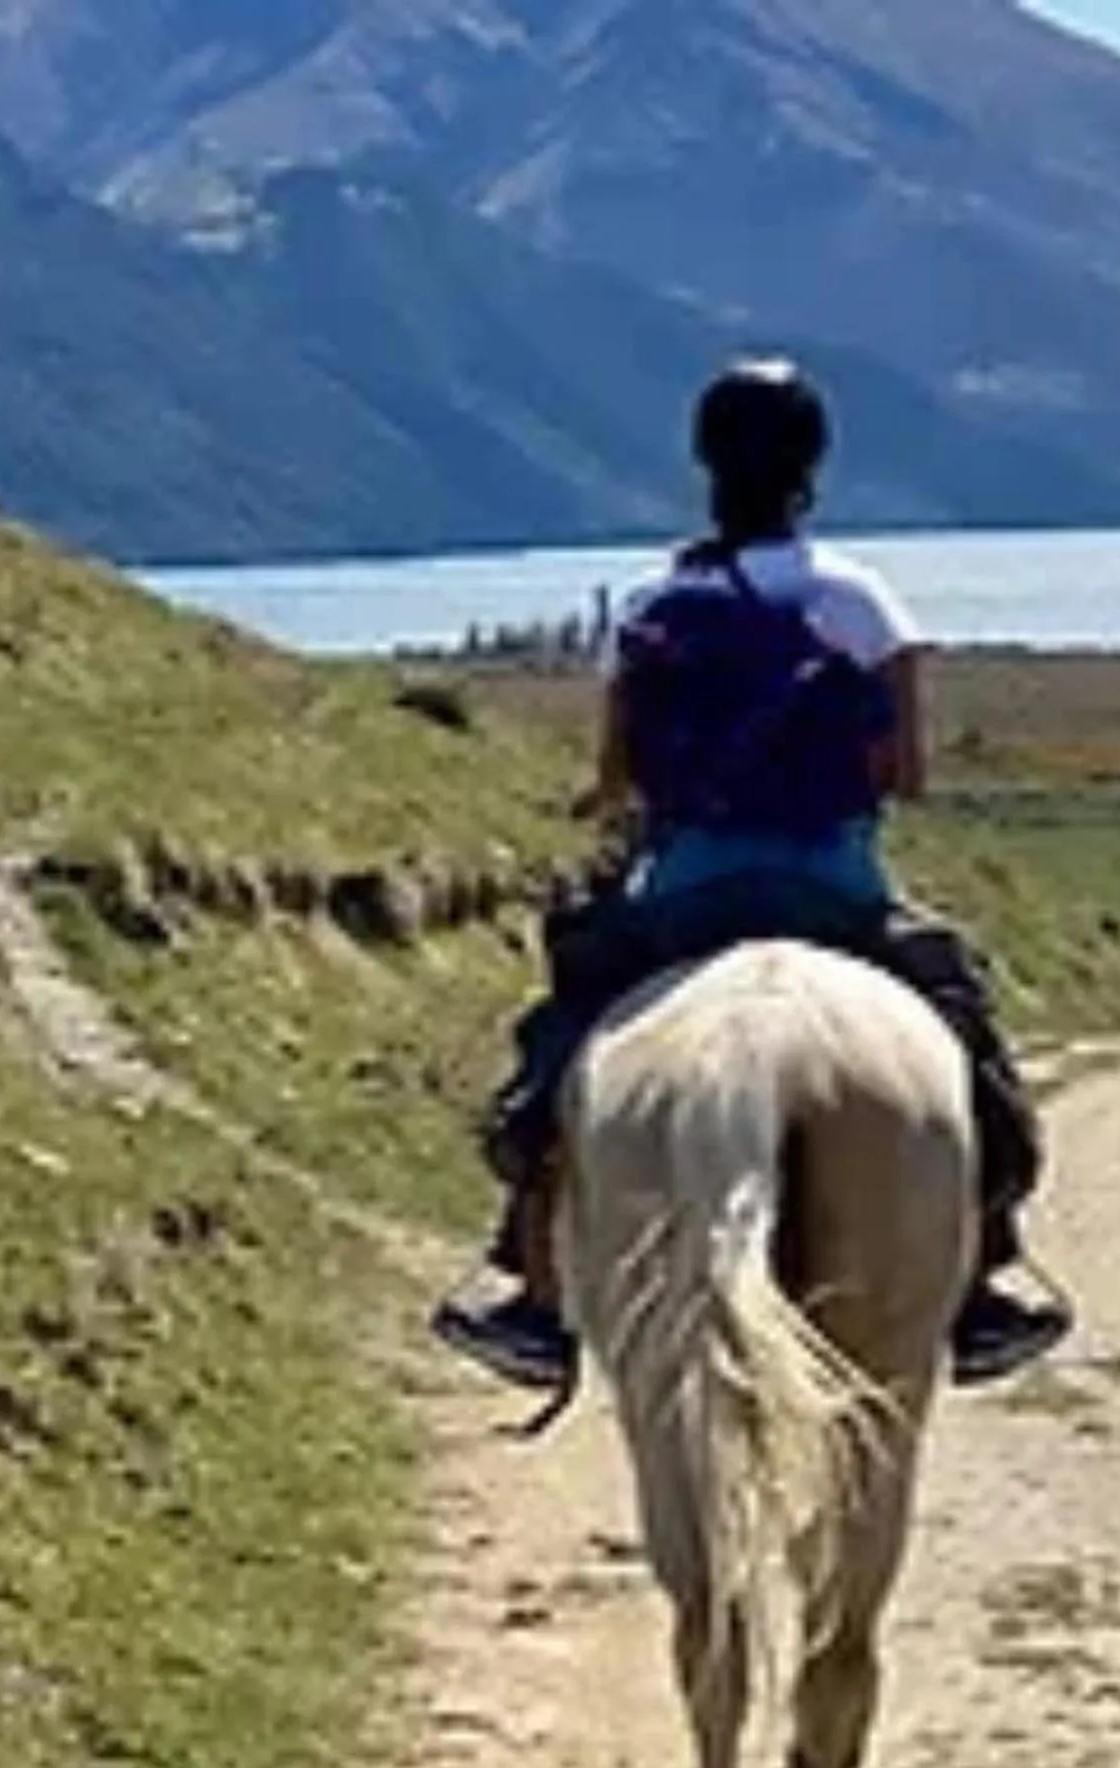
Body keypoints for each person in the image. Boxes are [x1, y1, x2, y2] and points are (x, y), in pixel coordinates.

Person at [431, 357, 1073, 1396]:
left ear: (705, 461)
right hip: (840, 892)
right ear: (814, 464)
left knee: (557, 1052)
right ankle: (989, 1275)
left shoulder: (653, 604)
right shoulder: (863, 602)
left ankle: (533, 1293)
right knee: (966, 1034)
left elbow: (618, 778)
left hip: (682, 896)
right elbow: (905, 777)